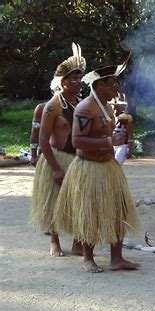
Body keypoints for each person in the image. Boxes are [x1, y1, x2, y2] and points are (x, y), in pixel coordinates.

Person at [54, 58, 141, 273]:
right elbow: (77, 141)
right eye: (112, 83)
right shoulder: (85, 108)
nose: (116, 87)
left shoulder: (106, 106)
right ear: (99, 85)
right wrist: (111, 141)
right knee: (90, 212)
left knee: (119, 209)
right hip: (89, 167)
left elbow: (109, 133)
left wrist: (123, 136)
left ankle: (117, 258)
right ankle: (88, 258)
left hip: (108, 166)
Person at [31, 43, 86, 256]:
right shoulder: (52, 106)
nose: (78, 82)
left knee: (78, 200)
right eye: (74, 79)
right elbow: (44, 139)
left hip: (77, 159)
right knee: (54, 200)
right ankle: (54, 241)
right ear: (63, 82)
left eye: (80, 78)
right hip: (57, 158)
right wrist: (54, 168)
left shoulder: (82, 103)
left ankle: (77, 241)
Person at [109, 95, 134, 165]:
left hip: (123, 145)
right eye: (113, 106)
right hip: (111, 144)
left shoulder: (127, 118)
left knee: (116, 164)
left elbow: (130, 134)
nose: (114, 108)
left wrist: (129, 149)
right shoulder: (109, 117)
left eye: (116, 106)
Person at [29, 103, 46, 167]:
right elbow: (35, 131)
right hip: (47, 152)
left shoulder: (77, 106)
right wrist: (33, 155)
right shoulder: (41, 108)